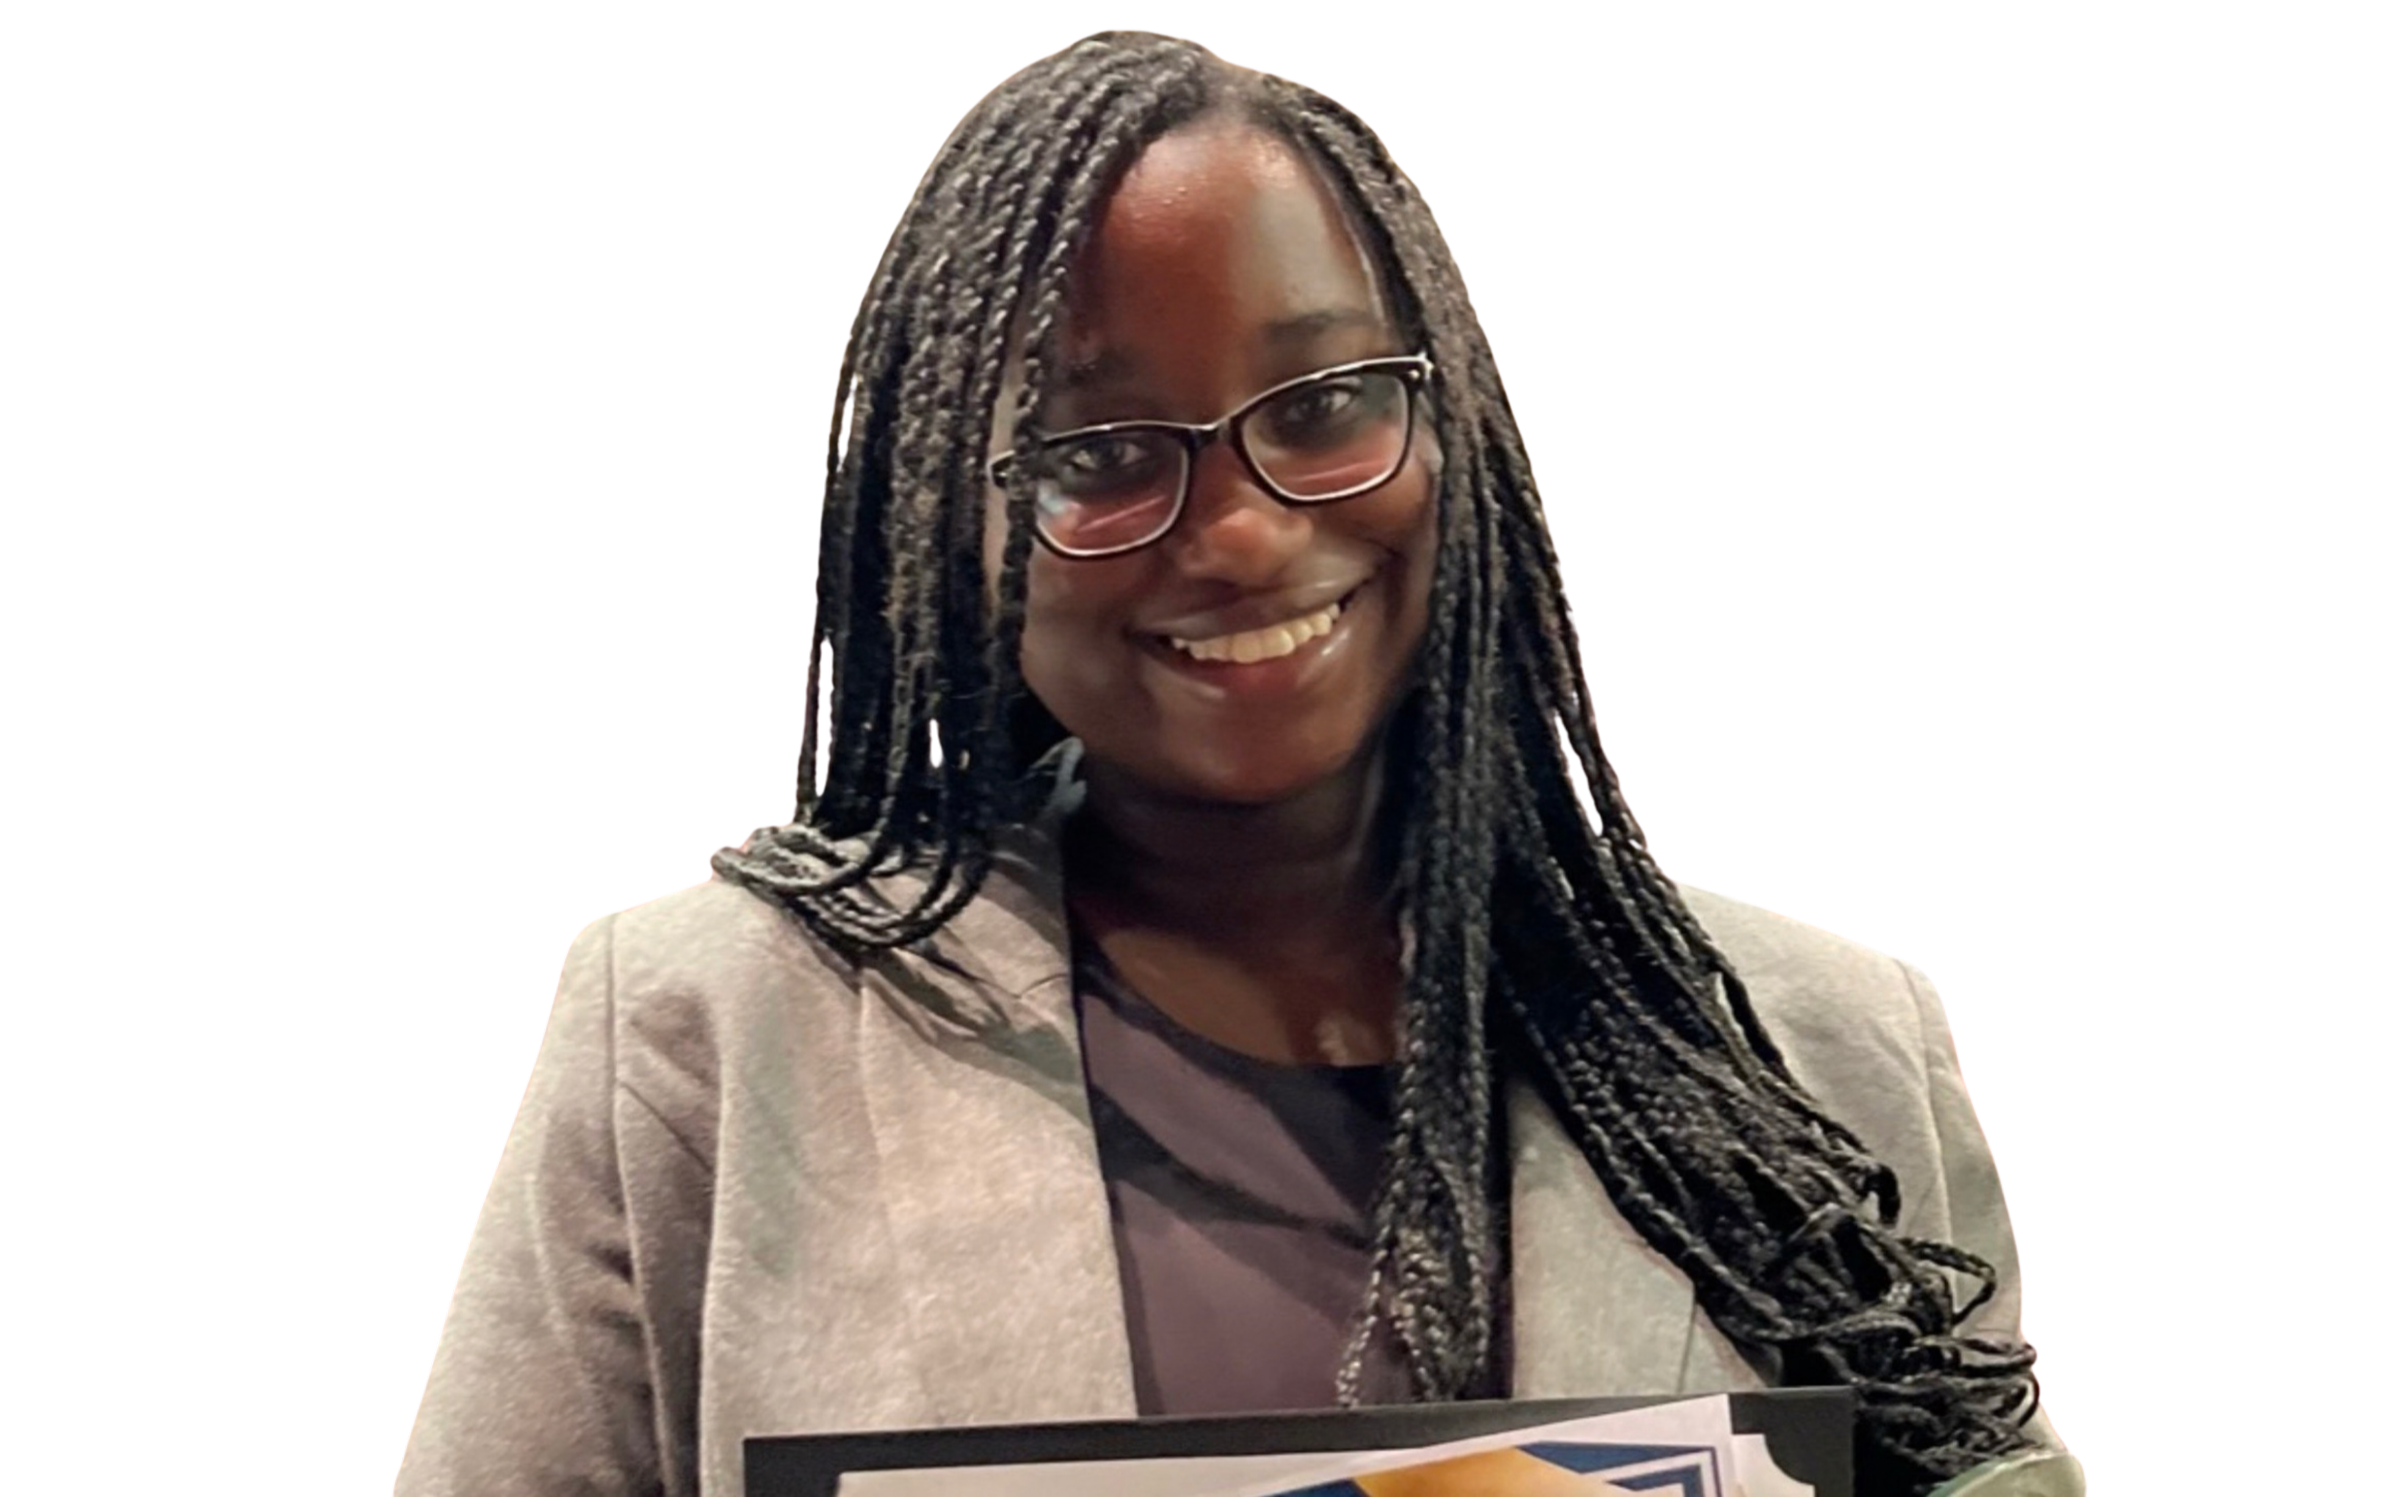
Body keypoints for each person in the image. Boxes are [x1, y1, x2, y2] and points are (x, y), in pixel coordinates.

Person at [399, 30, 2084, 1497]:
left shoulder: (1825, 1052)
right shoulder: (699, 1034)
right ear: (955, 521)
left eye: (1327, 403)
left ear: (1455, 427)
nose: (1245, 532)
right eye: (1105, 452)